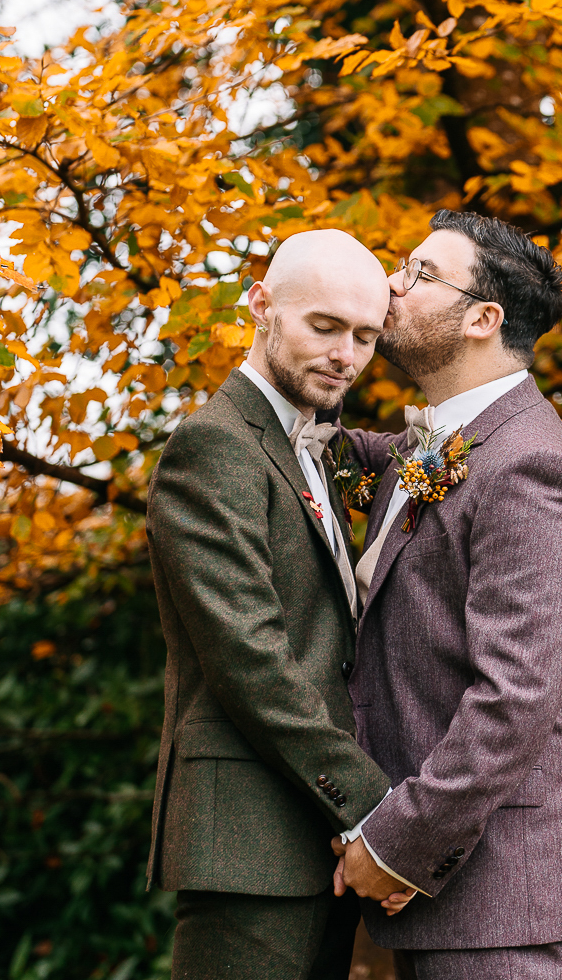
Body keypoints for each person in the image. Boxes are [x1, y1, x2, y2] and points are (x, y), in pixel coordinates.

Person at [331, 209, 562, 979]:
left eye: (419, 274)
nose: (390, 286)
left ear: (482, 319)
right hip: (437, 882)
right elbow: (335, 456)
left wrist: (396, 844)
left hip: (494, 881)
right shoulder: (438, 443)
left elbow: (513, 701)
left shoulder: (533, 472)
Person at [144, 229, 396, 980]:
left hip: (316, 832)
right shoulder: (214, 448)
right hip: (247, 840)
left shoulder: (314, 449)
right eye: (323, 327)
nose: (344, 355)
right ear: (262, 307)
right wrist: (377, 811)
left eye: (364, 336)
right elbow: (250, 658)